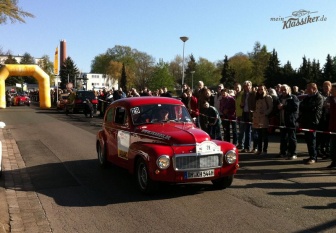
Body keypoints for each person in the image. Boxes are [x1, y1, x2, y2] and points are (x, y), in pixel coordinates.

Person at [298, 83, 323, 164]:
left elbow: (312, 107)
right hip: (306, 121)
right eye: (307, 89)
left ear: (314, 89)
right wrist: (306, 107)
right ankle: (311, 155)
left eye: (309, 89)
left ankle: (313, 157)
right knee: (308, 140)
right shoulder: (308, 97)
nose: (307, 90)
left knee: (312, 140)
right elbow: (301, 106)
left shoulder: (318, 97)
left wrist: (307, 107)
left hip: (313, 121)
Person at [277, 84, 299, 159]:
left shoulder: (293, 97)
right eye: (282, 89)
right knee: (283, 138)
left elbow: (295, 107)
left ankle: (293, 153)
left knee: (292, 138)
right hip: (282, 121)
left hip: (291, 121)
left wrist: (284, 107)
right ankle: (283, 152)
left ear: (289, 90)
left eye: (285, 89)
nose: (283, 91)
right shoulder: (279, 98)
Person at [252, 85, 273, 155]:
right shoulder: (257, 98)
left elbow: (270, 107)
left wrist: (265, 113)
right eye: (259, 89)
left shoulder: (268, 97)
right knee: (259, 135)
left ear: (265, 90)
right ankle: (259, 149)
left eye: (262, 89)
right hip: (257, 118)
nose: (260, 91)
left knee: (265, 135)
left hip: (264, 118)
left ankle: (265, 150)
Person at [316, 81, 331, 159]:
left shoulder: (332, 96)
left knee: (327, 137)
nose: (326, 87)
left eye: (327, 86)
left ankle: (326, 151)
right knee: (320, 135)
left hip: (330, 119)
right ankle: (319, 151)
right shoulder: (321, 96)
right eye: (324, 86)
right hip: (322, 118)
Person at [240, 81, 256, 152]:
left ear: (251, 86)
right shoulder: (243, 94)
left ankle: (252, 147)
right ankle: (246, 147)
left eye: (248, 86)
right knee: (246, 131)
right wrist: (241, 105)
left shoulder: (253, 94)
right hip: (245, 113)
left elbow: (255, 104)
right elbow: (242, 105)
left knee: (251, 131)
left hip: (251, 114)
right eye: (246, 86)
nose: (247, 87)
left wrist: (253, 110)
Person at [326, 83, 336, 169]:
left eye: (333, 90)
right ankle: (334, 162)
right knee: (332, 147)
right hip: (332, 126)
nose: (331, 91)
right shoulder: (331, 99)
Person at [234, 83, 244, 149]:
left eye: (238, 87)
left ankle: (242, 144)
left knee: (242, 130)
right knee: (240, 130)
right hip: (238, 114)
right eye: (235, 87)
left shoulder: (243, 94)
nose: (237, 89)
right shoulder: (236, 95)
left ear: (241, 88)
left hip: (242, 114)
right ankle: (240, 143)